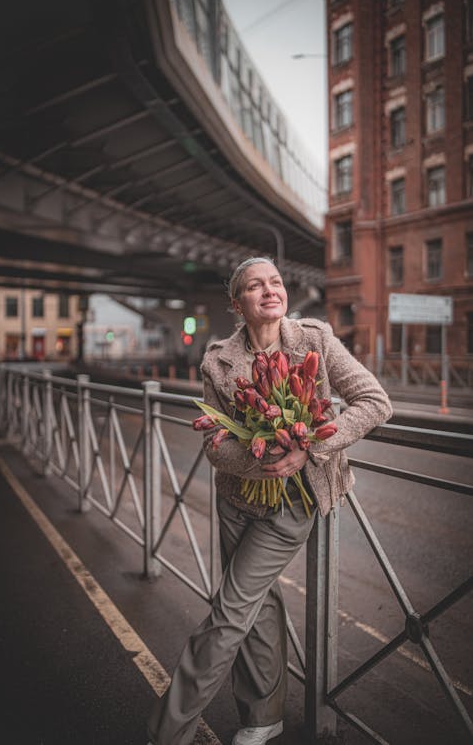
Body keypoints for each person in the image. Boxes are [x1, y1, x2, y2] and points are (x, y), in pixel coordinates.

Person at [147, 257, 392, 745]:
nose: (270, 290)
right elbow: (215, 442)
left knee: (229, 611)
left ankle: (166, 732)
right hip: (237, 498)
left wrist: (310, 446)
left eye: (275, 282)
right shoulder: (217, 358)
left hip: (292, 505)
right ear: (237, 304)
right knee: (257, 606)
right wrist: (260, 459)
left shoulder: (314, 339)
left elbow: (374, 401)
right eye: (255, 286)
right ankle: (262, 717)